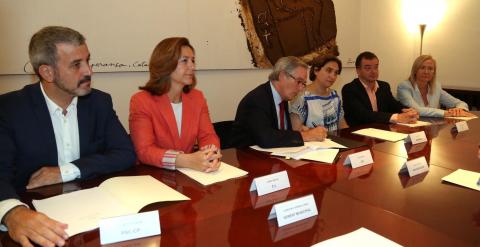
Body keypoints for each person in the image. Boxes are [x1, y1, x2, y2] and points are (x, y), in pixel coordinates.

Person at [0, 26, 135, 247]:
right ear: (47, 72)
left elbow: (125, 153)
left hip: (93, 221)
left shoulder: (99, 103)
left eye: (88, 61)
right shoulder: (9, 109)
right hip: (37, 223)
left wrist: (64, 171)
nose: (89, 71)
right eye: (76, 65)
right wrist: (12, 212)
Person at [129, 37, 221, 173]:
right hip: (154, 176)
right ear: (165, 64)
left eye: (193, 60)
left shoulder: (197, 98)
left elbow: (207, 135)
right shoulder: (141, 101)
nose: (192, 66)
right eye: (185, 61)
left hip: (190, 174)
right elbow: (145, 150)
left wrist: (210, 156)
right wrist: (186, 160)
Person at [230, 56, 328, 148]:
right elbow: (266, 139)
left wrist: (306, 130)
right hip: (247, 159)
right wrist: (306, 136)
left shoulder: (283, 98)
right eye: (298, 81)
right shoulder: (257, 100)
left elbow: (280, 132)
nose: (301, 89)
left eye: (303, 84)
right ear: (282, 76)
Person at [342, 51, 419, 127]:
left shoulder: (384, 86)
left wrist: (407, 111)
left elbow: (393, 104)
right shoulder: (349, 89)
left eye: (376, 67)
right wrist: (397, 117)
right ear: (358, 71)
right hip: (358, 133)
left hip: (382, 131)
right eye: (368, 68)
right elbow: (363, 114)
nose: (373, 71)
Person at [397, 55, 474, 117]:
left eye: (430, 69)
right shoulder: (404, 86)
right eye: (422, 68)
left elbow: (460, 103)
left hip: (432, 129)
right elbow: (417, 110)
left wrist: (459, 110)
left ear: (434, 72)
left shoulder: (436, 87)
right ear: (415, 70)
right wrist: (447, 113)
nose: (426, 72)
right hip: (411, 129)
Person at [290, 55, 347, 132]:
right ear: (316, 70)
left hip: (334, 142)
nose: (333, 76)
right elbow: (295, 130)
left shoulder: (334, 96)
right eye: (329, 70)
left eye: (336, 73)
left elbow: (342, 125)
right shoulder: (301, 97)